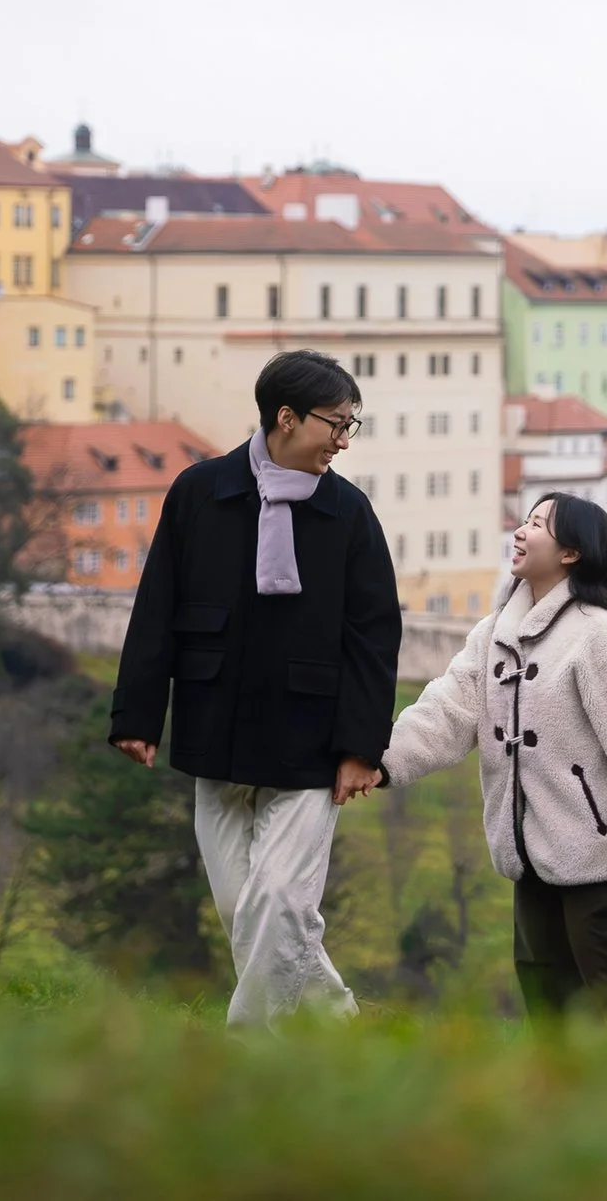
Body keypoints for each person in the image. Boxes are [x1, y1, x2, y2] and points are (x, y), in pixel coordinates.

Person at [108, 349, 399, 1025]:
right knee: (243, 906)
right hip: (216, 730)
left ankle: (250, 1045)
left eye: (352, 426)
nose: (344, 441)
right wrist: (138, 715)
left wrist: (361, 748)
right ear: (286, 418)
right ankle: (336, 1023)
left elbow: (373, 638)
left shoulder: (349, 514)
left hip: (310, 743)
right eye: (336, 424)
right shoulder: (199, 492)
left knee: (278, 901)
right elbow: (157, 604)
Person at [379, 492, 607, 1038]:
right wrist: (382, 762)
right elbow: (448, 710)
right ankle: (562, 1083)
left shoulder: (601, 635)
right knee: (545, 985)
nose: (520, 531)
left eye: (537, 524)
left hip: (598, 851)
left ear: (571, 553)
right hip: (528, 848)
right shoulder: (493, 634)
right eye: (524, 520)